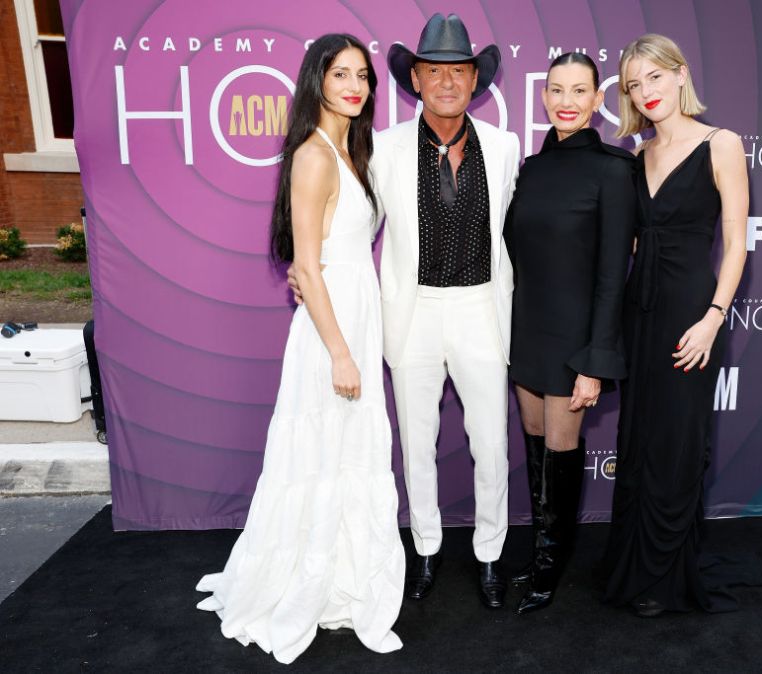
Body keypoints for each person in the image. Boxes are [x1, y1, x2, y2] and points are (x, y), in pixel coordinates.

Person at [288, 14, 520, 609]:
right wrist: (306, 270)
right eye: (434, 70)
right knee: (416, 445)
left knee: (491, 444)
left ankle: (490, 556)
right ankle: (425, 549)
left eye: (459, 71)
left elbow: (521, 233)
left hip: (480, 311)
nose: (447, 81)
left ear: (476, 80)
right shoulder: (379, 149)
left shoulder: (504, 147)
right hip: (410, 314)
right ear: (414, 78)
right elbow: (344, 219)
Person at [196, 34, 404, 661]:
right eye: (340, 74)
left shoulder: (349, 149)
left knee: (344, 455)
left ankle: (341, 582)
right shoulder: (314, 155)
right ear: (316, 79)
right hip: (331, 329)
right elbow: (307, 268)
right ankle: (305, 587)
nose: (354, 85)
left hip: (350, 315)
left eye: (363, 75)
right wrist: (341, 352)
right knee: (321, 454)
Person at [600, 34, 750, 618]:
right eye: (634, 85)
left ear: (681, 75)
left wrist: (714, 319)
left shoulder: (722, 144)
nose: (646, 92)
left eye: (654, 78)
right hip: (640, 311)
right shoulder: (636, 156)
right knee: (637, 439)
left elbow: (736, 244)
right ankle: (634, 564)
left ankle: (665, 574)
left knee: (678, 442)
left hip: (692, 312)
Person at [503, 52, 635, 614]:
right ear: (543, 95)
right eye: (556, 89)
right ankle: (539, 553)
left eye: (579, 91)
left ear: (598, 100)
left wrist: (594, 360)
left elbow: (613, 275)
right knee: (535, 451)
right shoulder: (531, 168)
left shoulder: (613, 168)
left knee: (560, 450)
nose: (566, 101)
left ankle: (551, 567)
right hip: (528, 330)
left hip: (574, 341)